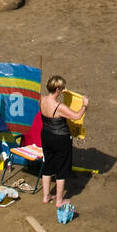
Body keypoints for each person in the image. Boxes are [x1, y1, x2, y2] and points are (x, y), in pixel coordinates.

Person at [40, 75, 88, 211]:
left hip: (46, 135)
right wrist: (84, 104)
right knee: (61, 168)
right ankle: (59, 200)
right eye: (61, 88)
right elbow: (77, 115)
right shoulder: (59, 106)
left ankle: (46, 196)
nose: (62, 91)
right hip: (60, 138)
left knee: (48, 164)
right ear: (57, 89)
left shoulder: (41, 100)